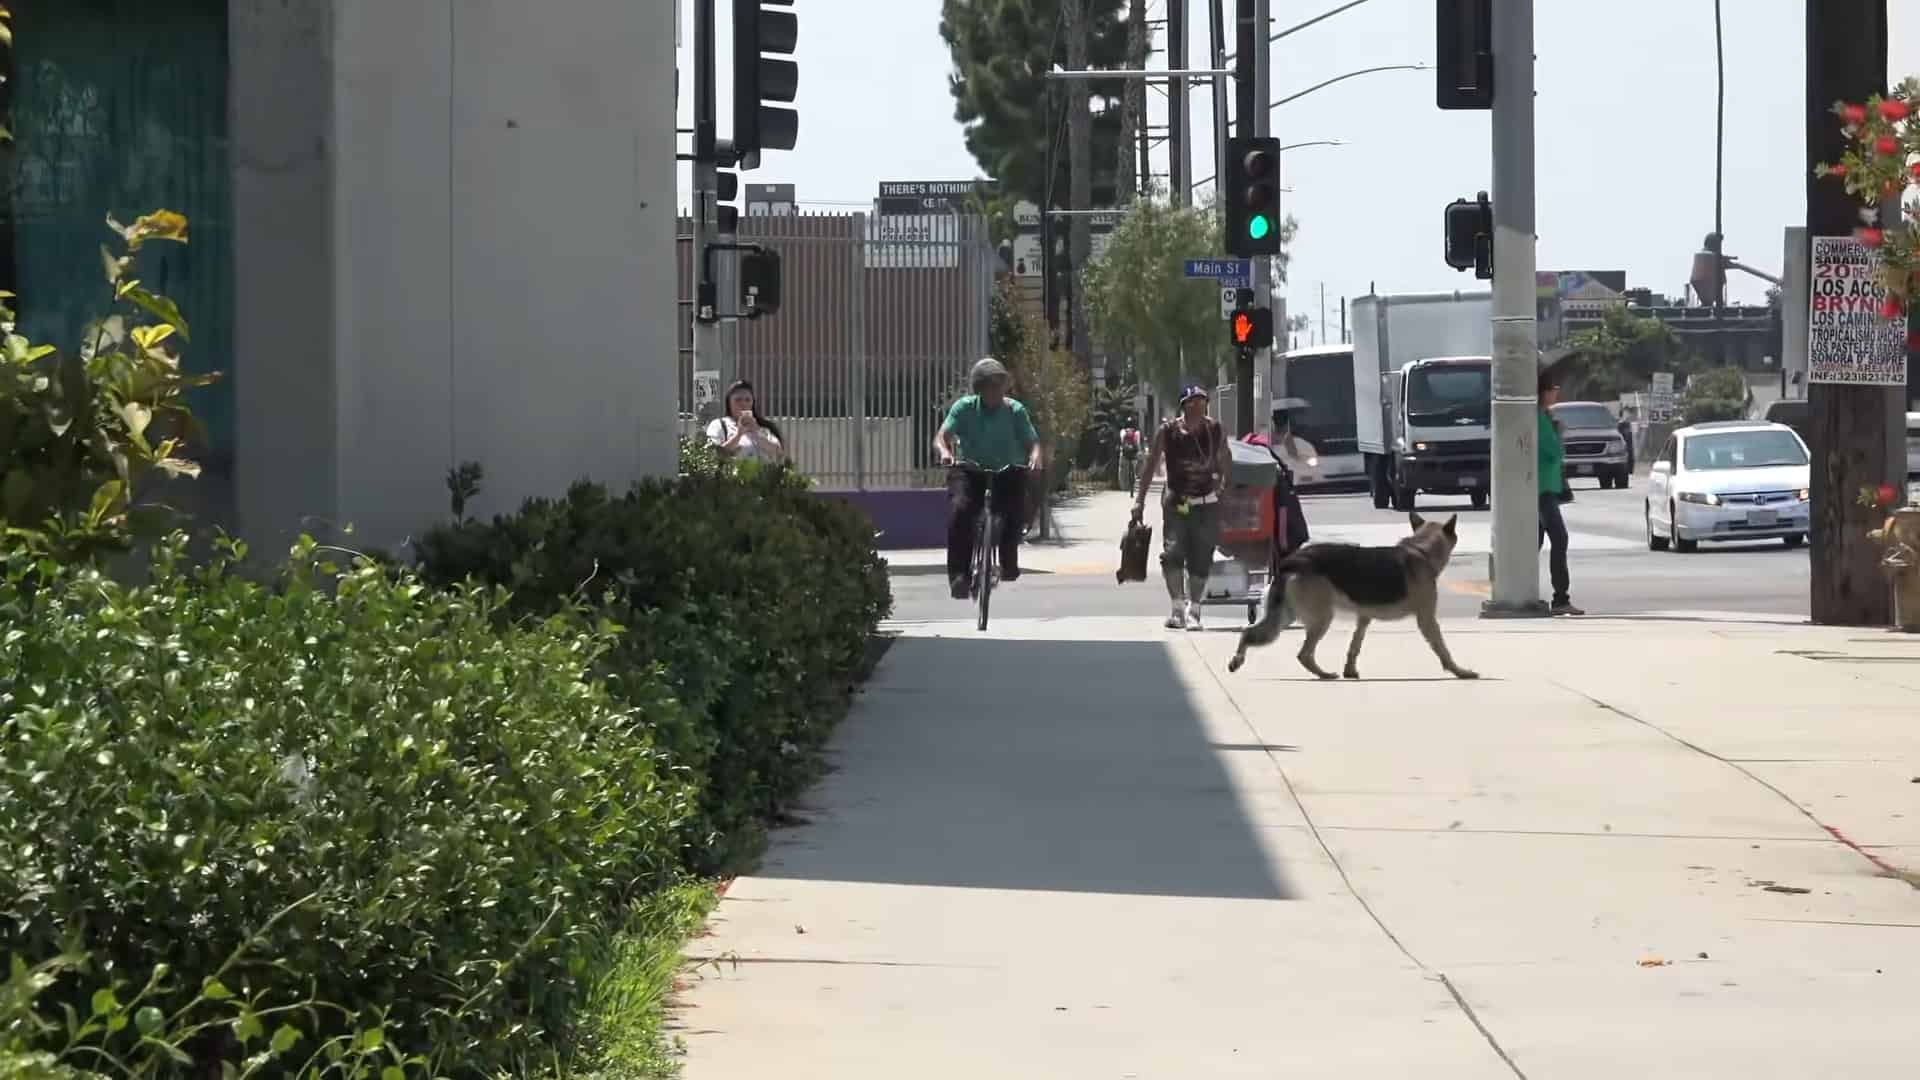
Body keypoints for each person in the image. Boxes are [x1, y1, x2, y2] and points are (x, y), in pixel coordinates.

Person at [933, 357, 1042, 600]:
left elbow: (1032, 442)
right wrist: (945, 452)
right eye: (989, 386)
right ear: (979, 388)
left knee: (1015, 508)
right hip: (970, 470)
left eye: (999, 385)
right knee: (960, 510)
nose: (995, 391)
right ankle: (959, 576)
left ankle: (1008, 561)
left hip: (1006, 470)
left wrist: (1035, 458)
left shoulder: (1015, 411)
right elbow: (942, 436)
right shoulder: (964, 408)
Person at [1133, 385, 1232, 630]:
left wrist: (1223, 488)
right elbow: (1150, 465)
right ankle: (1177, 608)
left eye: (1202, 402)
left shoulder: (1215, 430)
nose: (1198, 407)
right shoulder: (1168, 431)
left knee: (1201, 558)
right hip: (1177, 502)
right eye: (1192, 402)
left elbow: (1226, 459)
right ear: (1184, 407)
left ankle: (1194, 610)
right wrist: (1139, 501)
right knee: (1173, 553)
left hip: (1206, 503)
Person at [1538, 375, 1584, 616]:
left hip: (1547, 487)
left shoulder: (1545, 417)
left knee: (1533, 543)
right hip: (1541, 490)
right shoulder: (1538, 418)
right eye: (1553, 389)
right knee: (1560, 538)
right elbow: (1554, 450)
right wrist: (1557, 434)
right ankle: (1560, 599)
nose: (1556, 393)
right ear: (1543, 392)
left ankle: (1522, 590)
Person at [706, 380, 786, 464]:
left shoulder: (761, 428)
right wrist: (738, 435)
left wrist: (756, 433)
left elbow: (778, 453)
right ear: (729, 402)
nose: (743, 404)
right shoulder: (719, 425)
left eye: (747, 400)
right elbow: (713, 454)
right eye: (738, 400)